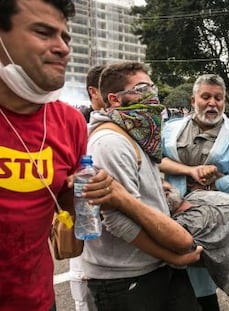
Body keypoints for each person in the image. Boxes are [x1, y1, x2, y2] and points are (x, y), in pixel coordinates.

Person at [0, 1, 113, 310]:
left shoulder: (69, 122)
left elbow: (64, 202)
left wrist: (84, 189)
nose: (62, 48)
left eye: (66, 37)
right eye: (43, 32)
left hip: (38, 301)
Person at [81, 61, 202, 311]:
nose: (152, 95)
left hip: (154, 268)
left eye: (152, 87)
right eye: (141, 89)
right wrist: (174, 256)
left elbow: (146, 192)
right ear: (114, 99)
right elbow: (116, 220)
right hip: (124, 278)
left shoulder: (137, 133)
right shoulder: (111, 142)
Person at [160, 73, 229, 310]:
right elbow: (157, 159)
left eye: (218, 98)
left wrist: (212, 185)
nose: (212, 103)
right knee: (167, 275)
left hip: (209, 217)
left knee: (201, 281)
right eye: (205, 97)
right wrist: (191, 171)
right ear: (193, 100)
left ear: (224, 102)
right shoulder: (171, 128)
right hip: (168, 212)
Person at [70, 64, 107, 311]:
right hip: (88, 239)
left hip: (113, 252)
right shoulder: (82, 132)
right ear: (93, 92)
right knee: (85, 300)